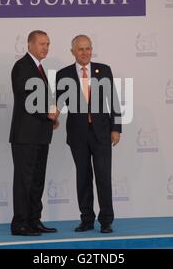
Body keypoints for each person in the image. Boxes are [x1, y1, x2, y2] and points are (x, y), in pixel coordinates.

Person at [56, 35, 121, 234]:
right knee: (83, 177)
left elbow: (114, 100)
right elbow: (56, 102)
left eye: (88, 48)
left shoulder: (104, 70)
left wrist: (116, 128)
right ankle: (86, 219)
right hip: (78, 135)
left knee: (103, 177)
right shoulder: (63, 74)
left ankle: (106, 220)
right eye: (81, 49)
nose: (85, 53)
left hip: (102, 134)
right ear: (72, 52)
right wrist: (52, 118)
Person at [9, 30, 59, 236]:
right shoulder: (22, 66)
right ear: (29, 45)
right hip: (25, 137)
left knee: (37, 180)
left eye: (48, 44)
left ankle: (34, 221)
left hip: (40, 135)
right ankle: (20, 224)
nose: (45, 47)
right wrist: (47, 113)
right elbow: (26, 99)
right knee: (24, 181)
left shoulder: (38, 67)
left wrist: (52, 118)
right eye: (41, 44)